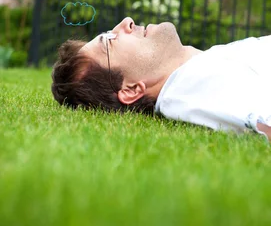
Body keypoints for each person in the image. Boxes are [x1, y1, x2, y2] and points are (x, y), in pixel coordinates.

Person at [51, 16, 271, 143]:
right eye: (109, 40)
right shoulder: (190, 87)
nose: (126, 21)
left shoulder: (201, 66)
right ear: (130, 90)